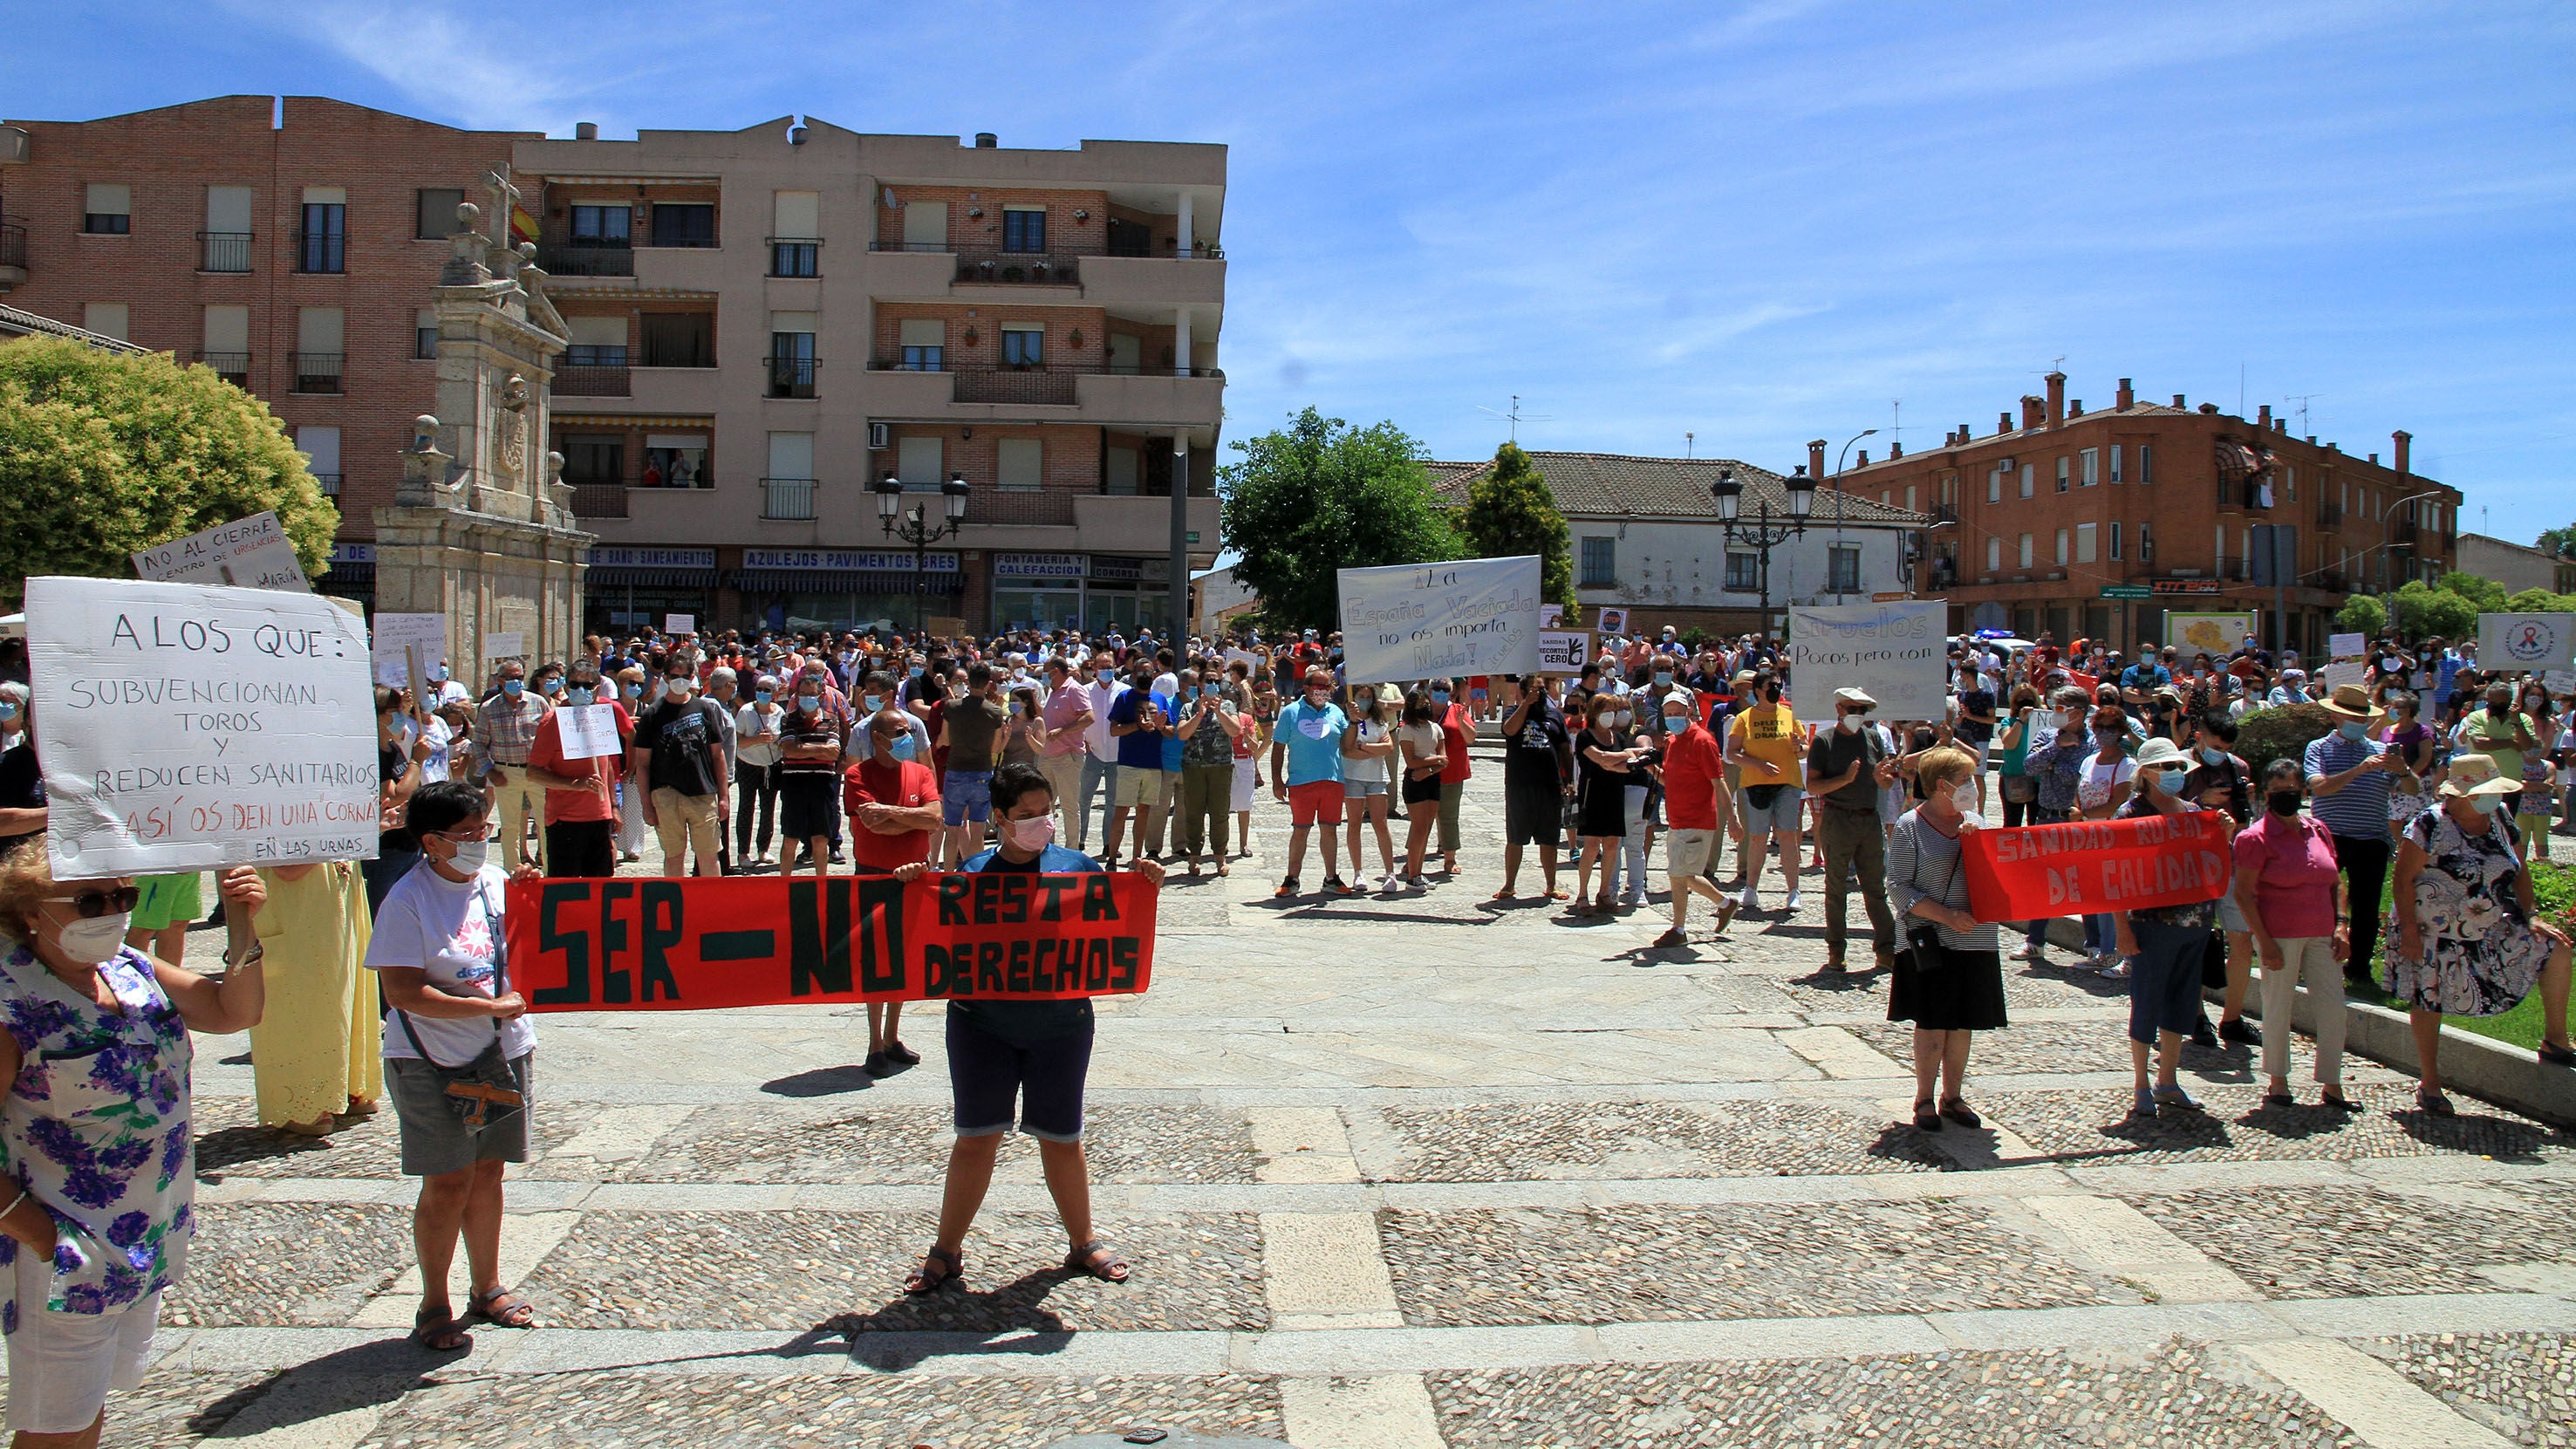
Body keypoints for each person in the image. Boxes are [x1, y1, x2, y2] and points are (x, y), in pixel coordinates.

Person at [0, 857, 266, 1445]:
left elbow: (233, 1010)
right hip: (64, 1253)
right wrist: (45, 1237)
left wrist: (243, 928)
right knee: (53, 1425)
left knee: (85, 1409)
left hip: (140, 1240)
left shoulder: (128, 967)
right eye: (91, 902)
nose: (116, 911)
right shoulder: (11, 999)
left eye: (124, 896)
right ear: (28, 911)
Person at [892, 762, 1165, 1296]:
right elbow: (931, 942)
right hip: (980, 1026)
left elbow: (1112, 925)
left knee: (1063, 1139)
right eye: (1025, 815)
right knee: (975, 1139)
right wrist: (911, 887)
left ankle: (1083, 1241)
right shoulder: (969, 876)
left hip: (1061, 1026)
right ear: (999, 818)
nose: (1039, 823)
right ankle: (945, 1250)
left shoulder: (1079, 867)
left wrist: (1146, 884)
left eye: (1046, 813)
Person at [363, 780, 541, 1351]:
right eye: (465, 834)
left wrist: (539, 897)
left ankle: (487, 1286)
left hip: (498, 1054)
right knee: (447, 1179)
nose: (478, 842)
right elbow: (403, 991)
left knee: (487, 1169)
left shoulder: (495, 884)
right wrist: (483, 1005)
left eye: (482, 830)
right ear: (430, 842)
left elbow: (537, 940)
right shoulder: (406, 899)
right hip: (433, 1059)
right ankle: (433, 1302)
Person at [2389, 754, 2576, 1115]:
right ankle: (2429, 1083)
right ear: (2463, 792)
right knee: (2429, 998)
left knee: (2555, 949)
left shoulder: (2500, 817)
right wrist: (2410, 930)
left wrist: (2532, 914)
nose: (2494, 797)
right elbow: (2402, 880)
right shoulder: (2429, 824)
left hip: (2487, 926)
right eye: (2486, 790)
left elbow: (2518, 868)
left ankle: (2556, 1039)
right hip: (2433, 930)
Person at [1886, 745, 2006, 1133]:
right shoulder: (1910, 826)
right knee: (1933, 1021)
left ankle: (1952, 1096)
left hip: (1973, 939)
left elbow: (1998, 872)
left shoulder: (1978, 823)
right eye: (1964, 780)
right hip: (1930, 939)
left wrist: (1978, 841)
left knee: (1963, 1022)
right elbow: (1899, 887)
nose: (1972, 786)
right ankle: (1924, 1096)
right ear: (1941, 786)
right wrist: (1946, 916)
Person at [2233, 760, 2354, 1110]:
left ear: (2303, 791)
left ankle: (2332, 1083)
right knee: (2277, 1006)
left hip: (2321, 932)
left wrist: (2342, 923)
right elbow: (2244, 893)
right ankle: (2278, 1080)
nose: (2286, 796)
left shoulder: (2318, 829)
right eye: (2278, 791)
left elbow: (2336, 881)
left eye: (2292, 790)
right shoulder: (2254, 837)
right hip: (2279, 933)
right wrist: (2264, 941)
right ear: (2267, 794)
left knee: (2334, 1008)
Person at [2110, 738, 2219, 1120]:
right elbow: (2115, 875)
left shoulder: (2193, 812)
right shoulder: (2130, 814)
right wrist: (2121, 928)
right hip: (2151, 924)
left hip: (2195, 923)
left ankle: (2168, 1080)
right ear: (2146, 773)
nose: (2172, 772)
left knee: (2182, 1002)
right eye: (2164, 766)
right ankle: (2142, 1082)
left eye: (2176, 765)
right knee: (2147, 1002)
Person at [249, 854, 384, 1137]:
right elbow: (287, 867)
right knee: (304, 995)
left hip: (332, 892)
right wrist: (339, 835)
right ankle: (305, 1102)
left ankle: (345, 1085)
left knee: (343, 985)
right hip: (294, 900)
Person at [845, 707, 942, 1075]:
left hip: (915, 874)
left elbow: (935, 819)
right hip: (874, 874)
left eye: (908, 730)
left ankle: (892, 1035)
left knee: (904, 957)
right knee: (875, 959)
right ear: (878, 738)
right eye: (899, 731)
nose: (907, 737)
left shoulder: (921, 772)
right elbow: (870, 825)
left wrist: (892, 815)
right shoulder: (858, 774)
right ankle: (873, 1042)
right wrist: (911, 818)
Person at [2306, 683, 2405, 987]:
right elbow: (2319, 786)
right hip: (2331, 835)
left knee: (2367, 905)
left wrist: (2403, 770)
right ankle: (2314, 960)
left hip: (2372, 837)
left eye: (2362, 718)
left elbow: (2410, 788)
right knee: (2321, 899)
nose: (2357, 723)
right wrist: (2358, 771)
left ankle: (2359, 968)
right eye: (2351, 717)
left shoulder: (2380, 751)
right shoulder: (2319, 748)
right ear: (2336, 717)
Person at [1807, 687, 1901, 974]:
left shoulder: (1873, 738)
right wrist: (1844, 780)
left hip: (1869, 819)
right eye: (1852, 710)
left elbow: (1884, 782)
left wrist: (1882, 779)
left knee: (1875, 889)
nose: (1856, 716)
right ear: (1838, 709)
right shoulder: (1824, 742)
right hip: (1838, 818)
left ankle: (1886, 950)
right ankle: (1836, 950)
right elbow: (1813, 786)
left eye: (1862, 711)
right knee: (1836, 888)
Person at [2185, 713, 2261, 1049]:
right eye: (2216, 747)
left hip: (2232, 862)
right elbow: (2165, 815)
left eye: (2227, 748)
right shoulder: (2178, 767)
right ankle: (2196, 1015)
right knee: (2196, 942)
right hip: (2192, 866)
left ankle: (2232, 1018)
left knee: (2241, 942)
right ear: (2200, 737)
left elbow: (2247, 818)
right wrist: (2201, 803)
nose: (2221, 754)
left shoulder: (2238, 768)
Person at [523, 666, 628, 879]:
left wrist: (614, 807)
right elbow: (533, 773)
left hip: (599, 817)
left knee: (600, 884)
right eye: (575, 685)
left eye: (587, 685)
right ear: (567, 687)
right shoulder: (552, 721)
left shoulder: (600, 717)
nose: (581, 690)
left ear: (596, 689)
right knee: (566, 888)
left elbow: (606, 765)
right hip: (565, 819)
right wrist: (574, 784)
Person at [633, 660, 731, 877]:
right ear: (666, 677)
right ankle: (676, 905)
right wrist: (647, 804)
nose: (680, 681)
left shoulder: (705, 708)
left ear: (692, 678)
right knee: (674, 855)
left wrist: (724, 796)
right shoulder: (652, 714)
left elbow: (718, 755)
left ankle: (709, 907)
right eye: (675, 676)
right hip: (666, 793)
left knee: (708, 854)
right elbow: (642, 763)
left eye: (685, 676)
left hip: (703, 792)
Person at [1725, 672, 1805, 914]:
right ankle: (1750, 889)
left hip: (1787, 782)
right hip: (1756, 784)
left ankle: (1794, 891)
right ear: (1758, 690)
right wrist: (1757, 764)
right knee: (1758, 837)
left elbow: (1804, 749)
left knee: (1787, 836)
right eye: (1772, 685)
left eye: (1779, 685)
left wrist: (1799, 747)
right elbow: (1732, 752)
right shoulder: (1744, 718)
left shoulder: (1790, 716)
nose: (1777, 689)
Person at [1272, 668, 1352, 898]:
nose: (1324, 691)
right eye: (1319, 686)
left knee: (1330, 831)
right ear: (1306, 688)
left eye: (1328, 686)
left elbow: (1347, 743)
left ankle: (1331, 878)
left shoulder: (1336, 712)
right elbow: (1278, 748)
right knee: (1300, 832)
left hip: (1332, 781)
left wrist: (1356, 721)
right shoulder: (1291, 712)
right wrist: (1277, 780)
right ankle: (1292, 879)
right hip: (1301, 782)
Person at [1495, 673, 1574, 902]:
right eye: (1533, 689)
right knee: (1516, 837)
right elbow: (1509, 731)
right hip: (1520, 784)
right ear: (1522, 691)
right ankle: (1509, 885)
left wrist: (1569, 779)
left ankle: (1551, 886)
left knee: (1549, 839)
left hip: (1549, 785)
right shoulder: (1513, 712)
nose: (1538, 693)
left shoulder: (1554, 715)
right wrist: (1525, 705)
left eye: (1541, 689)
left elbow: (1565, 748)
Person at [1571, 694, 1643, 915]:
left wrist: (1628, 760)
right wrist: (1627, 755)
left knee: (1612, 845)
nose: (1610, 716)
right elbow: (1600, 757)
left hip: (1614, 794)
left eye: (1613, 711)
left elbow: (1621, 766)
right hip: (1593, 795)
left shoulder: (1618, 739)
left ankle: (1604, 892)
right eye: (1606, 711)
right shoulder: (1585, 736)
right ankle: (1582, 893)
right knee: (1592, 845)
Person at [476, 660, 550, 872]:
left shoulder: (538, 702)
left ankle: (549, 871)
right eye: (511, 678)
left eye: (519, 677)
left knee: (546, 824)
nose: (516, 682)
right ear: (500, 680)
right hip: (505, 771)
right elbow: (479, 744)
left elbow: (550, 737)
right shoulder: (489, 709)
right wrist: (490, 772)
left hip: (537, 771)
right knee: (510, 827)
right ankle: (512, 872)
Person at [776, 671, 848, 880]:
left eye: (812, 693)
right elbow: (789, 750)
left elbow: (833, 751)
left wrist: (801, 748)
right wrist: (818, 749)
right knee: (790, 837)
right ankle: (784, 882)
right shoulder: (788, 719)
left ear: (821, 693)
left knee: (820, 838)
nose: (807, 697)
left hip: (822, 783)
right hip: (794, 783)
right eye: (803, 693)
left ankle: (821, 881)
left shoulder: (831, 720)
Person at [937, 664, 1009, 868]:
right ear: (988, 684)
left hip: (955, 770)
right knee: (978, 831)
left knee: (952, 829)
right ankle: (975, 875)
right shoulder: (994, 711)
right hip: (981, 771)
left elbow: (945, 738)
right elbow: (995, 748)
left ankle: (948, 874)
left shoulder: (952, 707)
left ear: (968, 681)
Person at [1174, 669, 1243, 877]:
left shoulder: (1229, 705)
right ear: (1201, 684)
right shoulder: (1188, 707)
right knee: (1194, 813)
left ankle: (1219, 857)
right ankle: (1194, 856)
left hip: (1221, 766)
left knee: (1220, 813)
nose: (1213, 683)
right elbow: (1182, 733)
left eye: (1216, 680)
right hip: (1194, 766)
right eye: (1209, 680)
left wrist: (1220, 711)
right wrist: (1200, 713)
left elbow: (1235, 731)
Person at [367, 687, 427, 912]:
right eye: (395, 710)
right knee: (383, 914)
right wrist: (417, 761)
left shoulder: (391, 746)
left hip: (407, 845)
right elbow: (394, 796)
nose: (401, 715)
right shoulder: (373, 753)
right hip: (387, 851)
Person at [1103, 664, 1168, 870]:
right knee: (1121, 811)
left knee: (1144, 811)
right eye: (1141, 672)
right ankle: (1112, 857)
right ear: (1133, 674)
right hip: (1129, 763)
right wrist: (1137, 726)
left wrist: (1161, 726)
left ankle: (1136, 857)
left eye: (1148, 672)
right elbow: (1114, 730)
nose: (1145, 676)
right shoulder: (1124, 698)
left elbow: (1170, 731)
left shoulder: (1160, 698)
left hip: (1152, 764)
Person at [1340, 685, 1400, 892]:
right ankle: (1358, 872)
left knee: (1380, 823)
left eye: (1368, 697)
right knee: (1354, 824)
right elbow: (1347, 751)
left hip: (1376, 777)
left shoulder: (1379, 721)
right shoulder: (1348, 723)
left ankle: (1390, 872)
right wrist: (1372, 749)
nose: (1365, 700)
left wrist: (1364, 747)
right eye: (1361, 696)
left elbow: (1388, 747)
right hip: (1353, 777)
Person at [1037, 657, 1096, 850]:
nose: (1043, 674)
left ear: (1055, 671)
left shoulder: (1074, 690)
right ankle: (1047, 846)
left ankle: (1072, 849)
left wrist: (1063, 731)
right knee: (1045, 805)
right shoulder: (1052, 691)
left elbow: (1088, 717)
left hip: (1067, 757)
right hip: (1047, 756)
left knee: (1069, 806)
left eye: (1046, 670)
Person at [1393, 689, 1446, 889]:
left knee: (1427, 829)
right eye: (1421, 704)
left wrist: (1430, 769)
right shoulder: (1406, 730)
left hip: (1432, 779)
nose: (1426, 707)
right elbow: (1411, 761)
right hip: (1415, 781)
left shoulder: (1436, 728)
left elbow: (1445, 760)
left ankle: (1419, 872)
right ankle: (1412, 874)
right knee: (1418, 828)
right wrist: (1436, 760)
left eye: (1427, 703)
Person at [734, 674, 784, 870]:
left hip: (771, 765)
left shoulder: (779, 712)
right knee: (746, 807)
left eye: (767, 690)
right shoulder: (746, 711)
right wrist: (756, 739)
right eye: (760, 689)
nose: (763, 693)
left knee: (768, 808)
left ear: (775, 693)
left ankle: (763, 848)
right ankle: (743, 852)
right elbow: (738, 741)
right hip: (748, 763)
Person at [1428, 677, 1473, 876]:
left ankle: (1449, 859)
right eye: (1436, 688)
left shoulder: (1457, 710)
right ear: (1429, 691)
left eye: (1444, 689)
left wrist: (1462, 721)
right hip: (1426, 771)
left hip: (1452, 772)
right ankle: (1414, 859)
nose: (1440, 691)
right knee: (1422, 818)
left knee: (1449, 817)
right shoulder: (1422, 710)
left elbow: (1471, 738)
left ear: (1451, 691)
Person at [0, 683, 43, 858]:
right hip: (18, 869)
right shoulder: (8, 764)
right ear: (27, 721)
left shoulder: (74, 765)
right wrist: (62, 812)